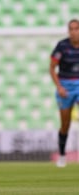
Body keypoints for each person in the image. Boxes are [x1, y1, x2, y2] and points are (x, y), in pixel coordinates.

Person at [49, 19, 79, 168]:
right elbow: (52, 67)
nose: (74, 32)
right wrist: (59, 86)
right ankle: (62, 154)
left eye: (76, 29)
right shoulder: (62, 46)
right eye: (71, 29)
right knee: (65, 124)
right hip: (65, 86)